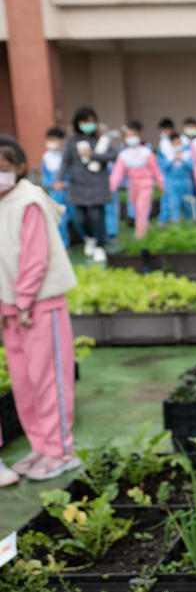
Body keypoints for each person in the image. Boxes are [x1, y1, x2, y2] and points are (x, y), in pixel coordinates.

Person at [0, 135, 80, 482]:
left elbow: (35, 258)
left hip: (38, 305)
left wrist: (24, 300)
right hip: (11, 308)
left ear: (18, 168)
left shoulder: (29, 200)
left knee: (49, 378)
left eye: (2, 168)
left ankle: (60, 450)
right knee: (24, 382)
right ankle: (40, 446)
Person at [54, 106, 117, 263]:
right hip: (77, 185)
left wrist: (93, 155)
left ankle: (100, 246)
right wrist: (60, 178)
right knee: (80, 218)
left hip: (98, 184)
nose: (88, 124)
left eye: (90, 121)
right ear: (77, 123)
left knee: (97, 216)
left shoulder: (102, 139)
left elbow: (114, 155)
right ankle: (90, 237)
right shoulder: (71, 141)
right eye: (84, 121)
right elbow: (65, 162)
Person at [109, 121, 165, 239]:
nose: (131, 138)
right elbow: (117, 173)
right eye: (128, 135)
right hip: (132, 185)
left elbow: (156, 170)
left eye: (133, 135)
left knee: (142, 208)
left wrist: (161, 183)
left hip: (146, 184)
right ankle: (146, 227)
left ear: (139, 135)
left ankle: (140, 235)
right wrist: (111, 187)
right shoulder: (124, 155)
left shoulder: (146, 152)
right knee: (136, 208)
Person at [41, 127, 76, 248]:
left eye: (54, 139)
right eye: (49, 139)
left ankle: (88, 240)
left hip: (71, 192)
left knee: (78, 218)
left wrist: (65, 184)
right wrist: (52, 184)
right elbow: (45, 177)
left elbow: (76, 175)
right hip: (55, 193)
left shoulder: (69, 155)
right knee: (59, 220)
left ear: (62, 140)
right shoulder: (46, 157)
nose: (51, 142)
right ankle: (64, 245)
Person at [159, 133, 196, 222]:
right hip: (172, 183)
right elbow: (164, 167)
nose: (177, 144)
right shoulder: (168, 155)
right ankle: (176, 224)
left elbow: (191, 166)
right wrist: (173, 159)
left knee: (188, 203)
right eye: (174, 143)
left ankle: (190, 222)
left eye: (178, 142)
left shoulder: (187, 154)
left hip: (185, 182)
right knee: (174, 204)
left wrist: (182, 159)